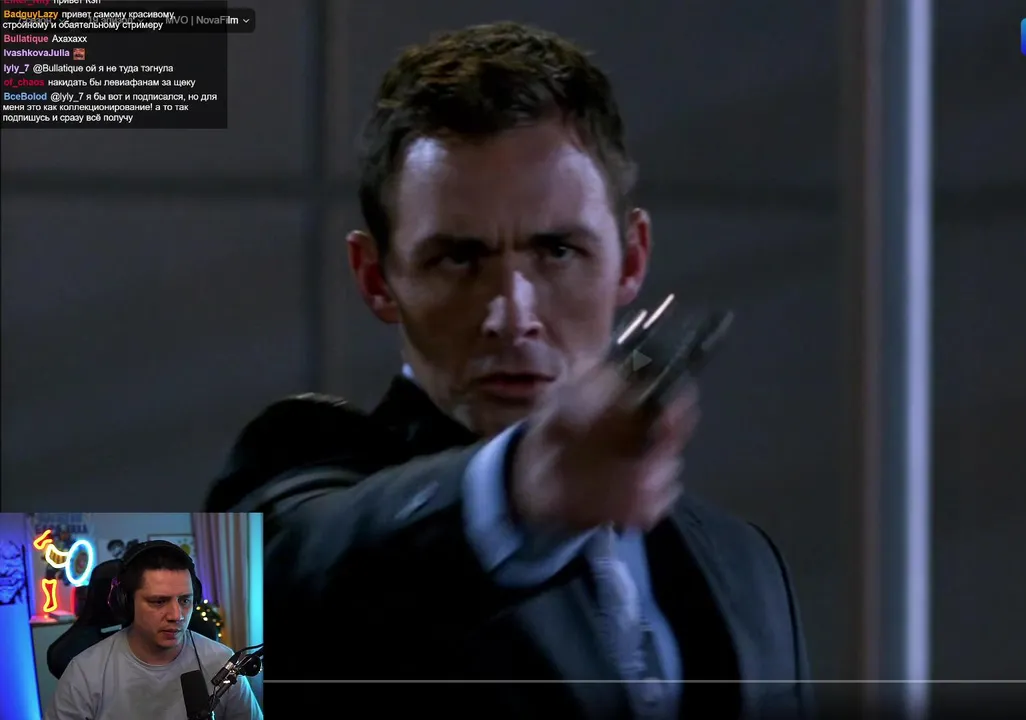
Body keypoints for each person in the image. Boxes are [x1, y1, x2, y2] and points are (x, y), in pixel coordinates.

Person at [206, 21, 810, 719]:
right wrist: (516, 489)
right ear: (375, 278)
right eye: (459, 258)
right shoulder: (300, 483)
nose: (512, 314)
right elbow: (279, 588)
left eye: (557, 251)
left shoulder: (742, 562)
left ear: (632, 260)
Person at [50, 541, 263, 720]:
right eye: (159, 601)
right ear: (127, 602)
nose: (177, 615)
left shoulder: (223, 663)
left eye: (185, 600)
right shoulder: (85, 673)